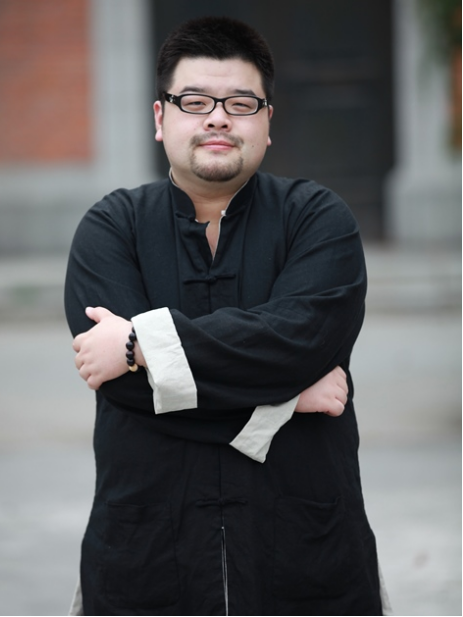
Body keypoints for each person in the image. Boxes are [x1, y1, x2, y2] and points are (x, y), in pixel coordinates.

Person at [65, 16, 388, 616]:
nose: (217, 118)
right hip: (147, 559)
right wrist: (286, 399)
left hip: (304, 555)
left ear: (268, 121)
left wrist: (138, 345)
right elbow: (126, 392)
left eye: (240, 103)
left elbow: (299, 342)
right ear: (160, 118)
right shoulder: (112, 228)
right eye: (194, 102)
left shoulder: (318, 219)